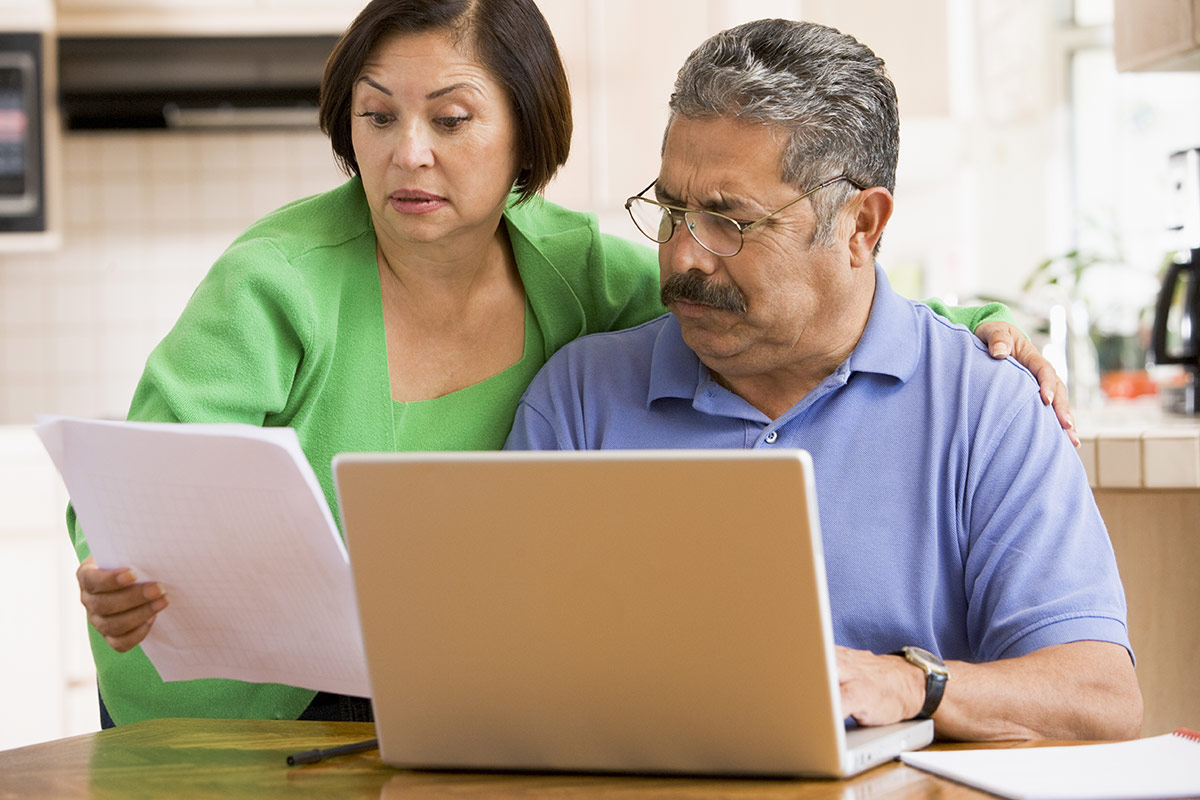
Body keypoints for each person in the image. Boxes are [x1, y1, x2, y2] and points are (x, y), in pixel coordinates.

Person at [69, 0, 1069, 728]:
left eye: (451, 120)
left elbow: (777, 290)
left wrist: (970, 323)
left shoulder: (574, 266)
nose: (408, 153)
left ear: (523, 134)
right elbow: (133, 493)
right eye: (378, 117)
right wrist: (118, 569)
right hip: (222, 701)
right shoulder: (274, 282)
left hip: (414, 701)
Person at [505, 18, 1142, 741]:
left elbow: (1099, 699)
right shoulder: (578, 402)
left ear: (862, 227)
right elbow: (501, 672)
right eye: (673, 210)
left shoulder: (987, 408)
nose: (683, 256)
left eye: (728, 221)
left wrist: (912, 685)